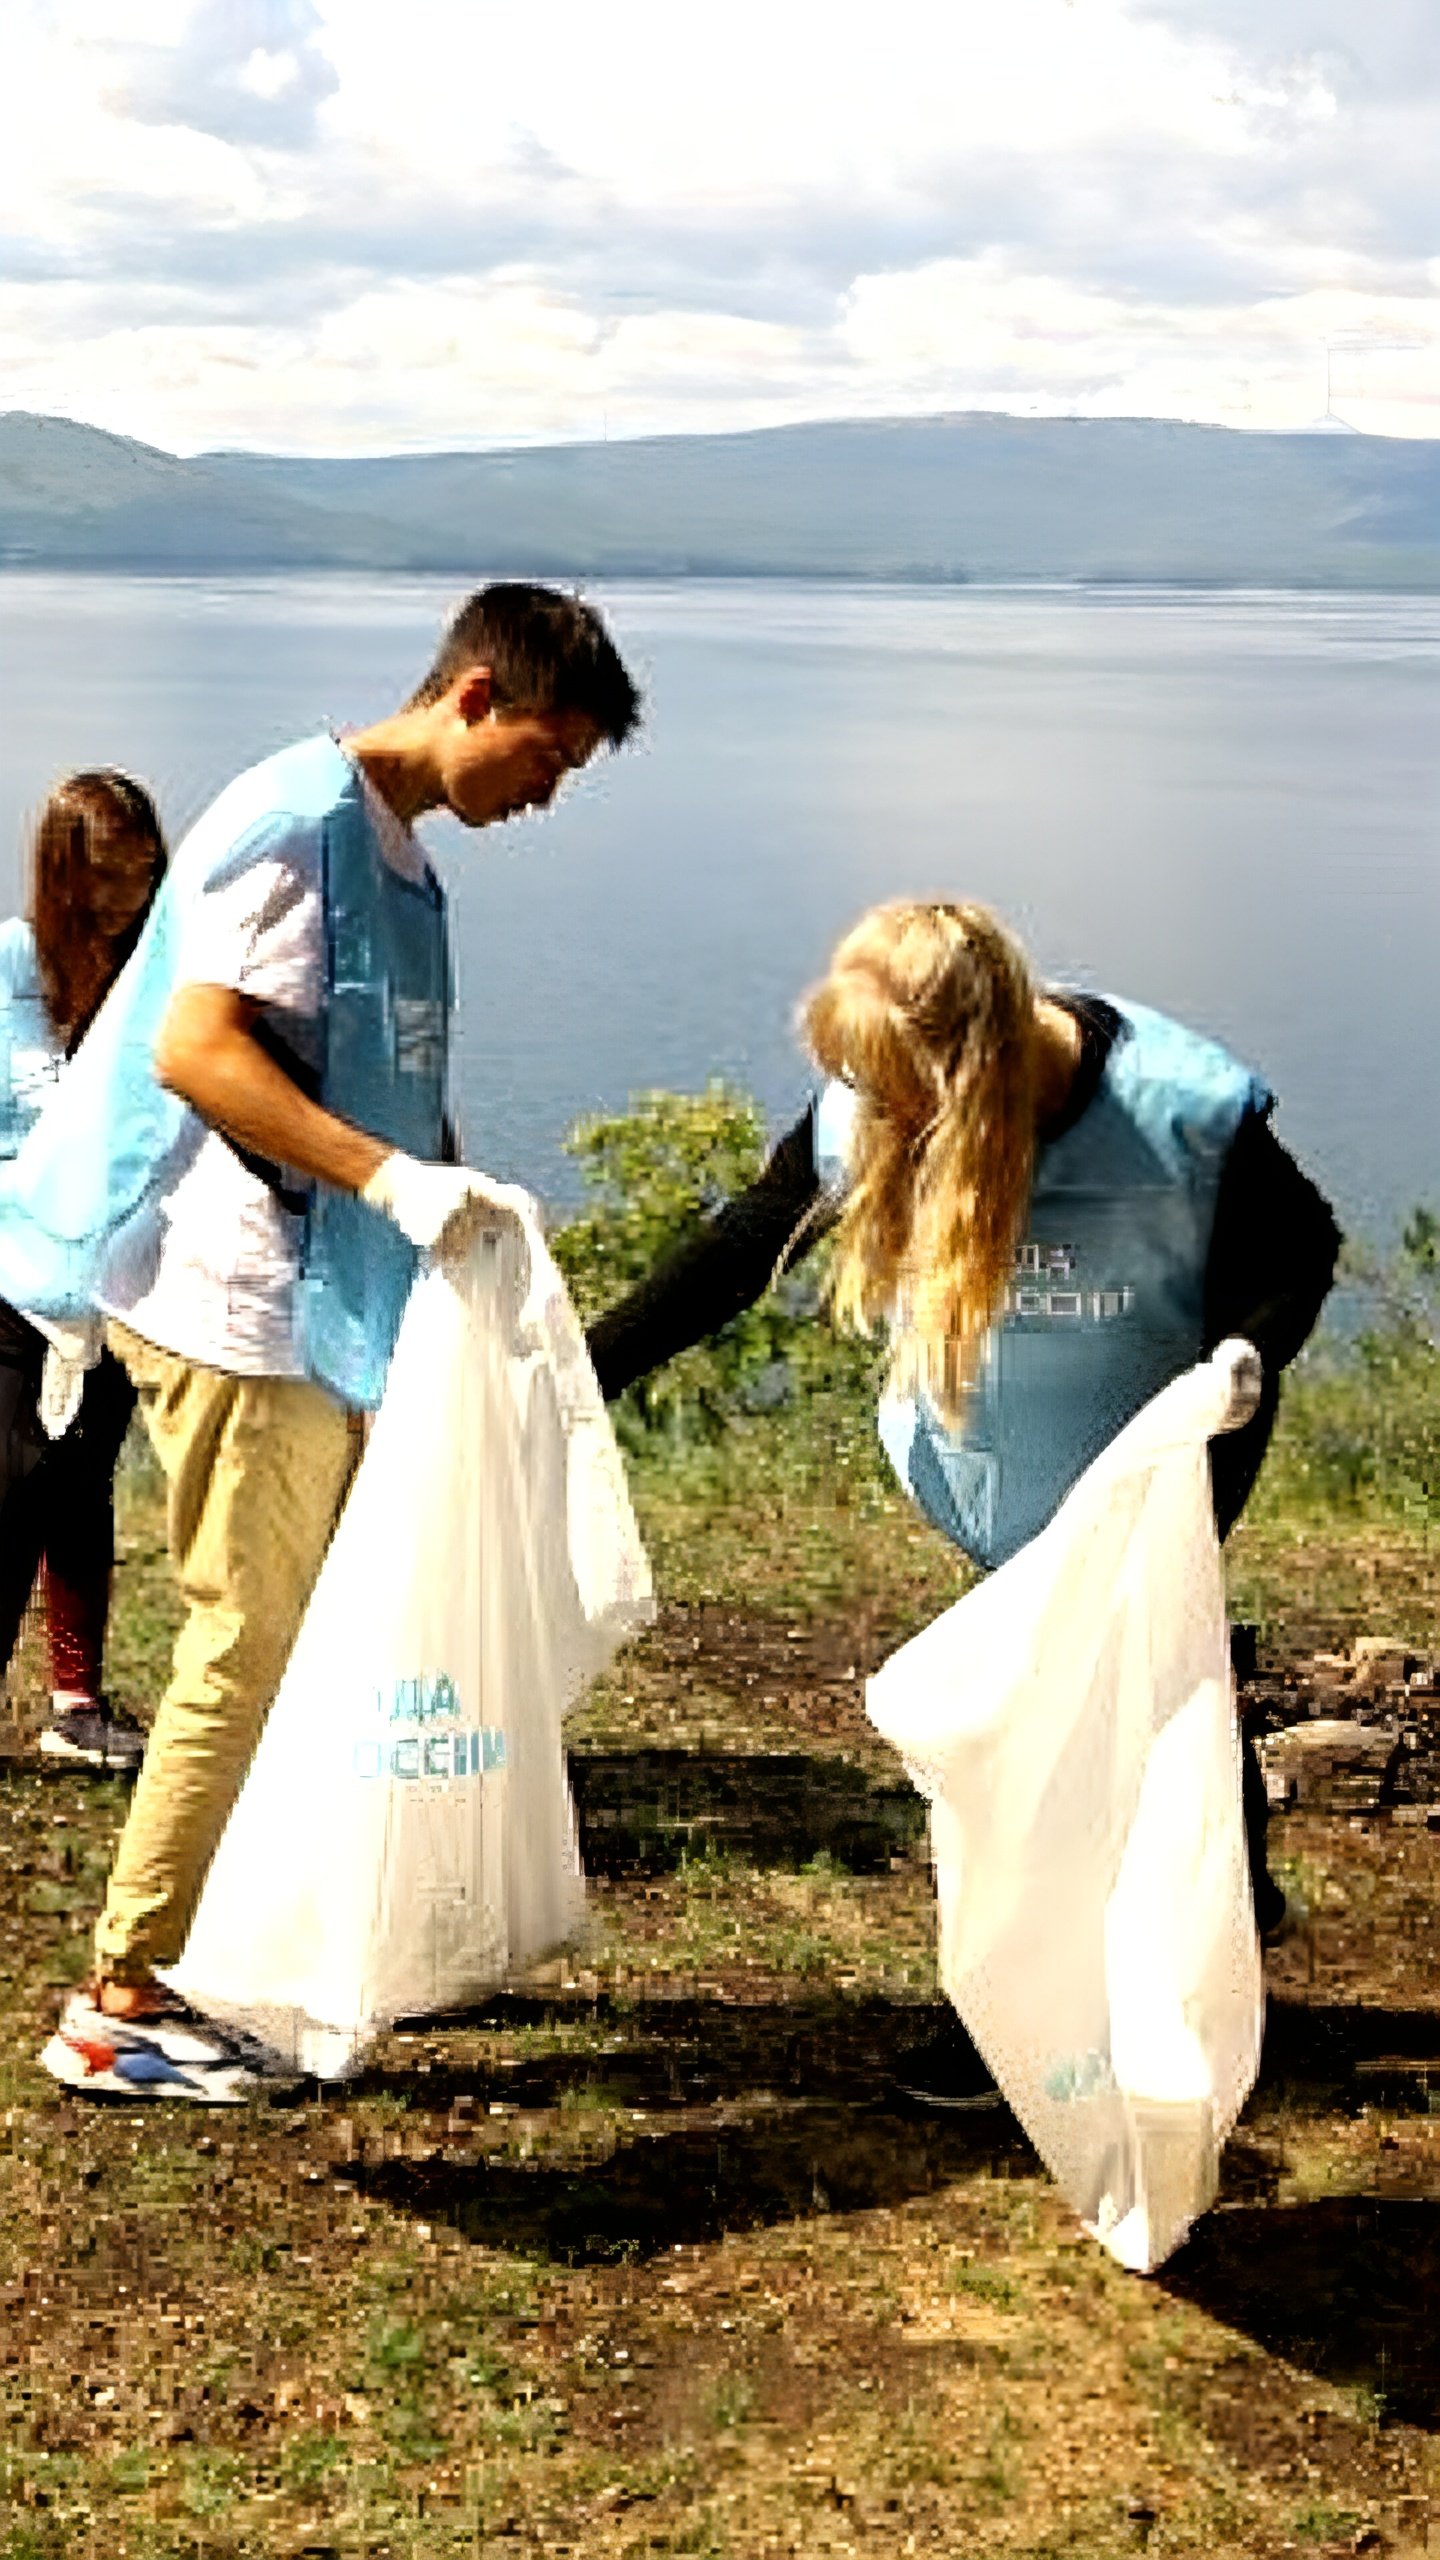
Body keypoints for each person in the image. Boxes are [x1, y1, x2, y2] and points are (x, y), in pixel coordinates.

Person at [15, 583, 640, 2100]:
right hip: (233, 1295)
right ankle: (118, 1997)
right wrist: (389, 1180)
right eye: (548, 759)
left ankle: (254, 1940)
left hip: (330, 1302)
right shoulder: (296, 818)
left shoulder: (401, 855)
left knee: (314, 1638)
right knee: (248, 1641)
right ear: (477, 696)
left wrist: (452, 1190)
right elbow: (194, 1046)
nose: (547, 798)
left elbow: (378, 1078)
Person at [585, 899, 1342, 2106]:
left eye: (899, 1095)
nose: (878, 1118)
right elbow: (746, 1247)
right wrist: (586, 1368)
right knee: (1150, 1686)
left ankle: (1009, 2017)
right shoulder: (868, 1104)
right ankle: (1233, 1901)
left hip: (1160, 1458)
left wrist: (1247, 1357)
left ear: (974, 1066)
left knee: (1037, 1724)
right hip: (1001, 1467)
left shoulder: (1180, 1110)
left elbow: (1301, 1248)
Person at [0, 772, 168, 1770]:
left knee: (81, 1488)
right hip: (13, 1265)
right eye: (104, 877)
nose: (123, 898)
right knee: (11, 1484)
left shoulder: (156, 974)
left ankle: (77, 1703)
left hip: (116, 1273)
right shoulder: (13, 963)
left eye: (142, 876)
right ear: (60, 871)